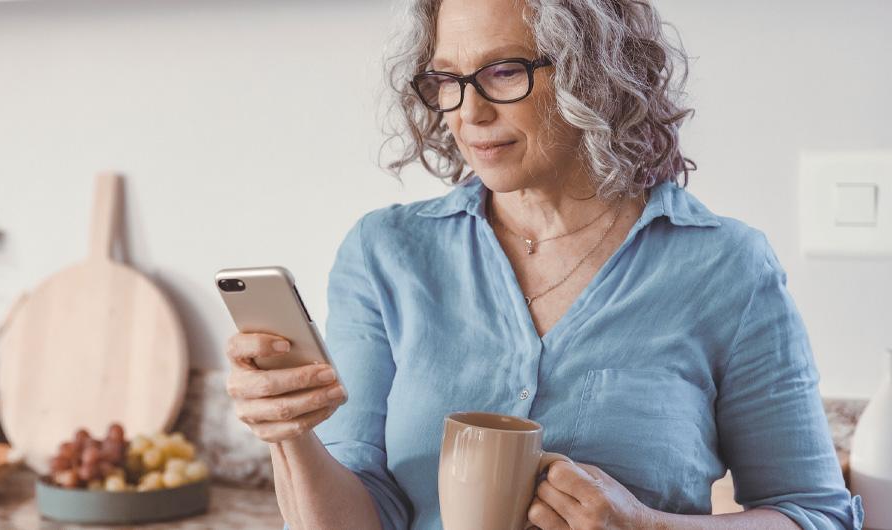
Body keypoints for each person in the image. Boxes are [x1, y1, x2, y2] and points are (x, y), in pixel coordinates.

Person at [221, 0, 865, 528]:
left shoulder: (726, 266)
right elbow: (359, 517)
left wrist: (649, 527)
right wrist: (290, 437)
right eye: (448, 79)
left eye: (504, 71)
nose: (468, 113)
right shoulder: (385, 254)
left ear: (598, 72)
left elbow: (815, 515)